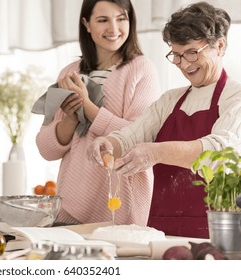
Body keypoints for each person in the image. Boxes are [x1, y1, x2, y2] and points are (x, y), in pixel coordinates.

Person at [88, 1, 241, 238]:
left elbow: (218, 152)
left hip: (217, 234)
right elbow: (130, 136)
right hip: (161, 234)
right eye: (177, 55)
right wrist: (109, 143)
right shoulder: (170, 100)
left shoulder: (236, 97)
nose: (184, 64)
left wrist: (155, 153)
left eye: (192, 52)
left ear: (219, 45)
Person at [35, 0, 161, 226]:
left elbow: (140, 136)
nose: (114, 28)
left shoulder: (142, 69)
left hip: (121, 205)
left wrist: (88, 107)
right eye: (103, 20)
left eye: (121, 18)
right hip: (71, 204)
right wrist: (72, 117)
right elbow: (46, 148)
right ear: (87, 24)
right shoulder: (69, 73)